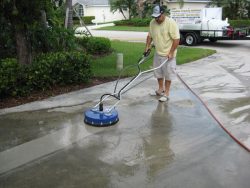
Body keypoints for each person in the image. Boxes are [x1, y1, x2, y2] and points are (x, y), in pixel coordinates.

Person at [145, 5, 180, 102]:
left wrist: (171, 52)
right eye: (155, 17)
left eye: (158, 17)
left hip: (169, 54)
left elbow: (176, 39)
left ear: (163, 13)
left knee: (168, 74)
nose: (156, 19)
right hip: (158, 53)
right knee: (158, 73)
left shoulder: (171, 23)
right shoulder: (152, 23)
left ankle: (167, 93)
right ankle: (160, 89)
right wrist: (147, 47)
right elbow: (149, 36)